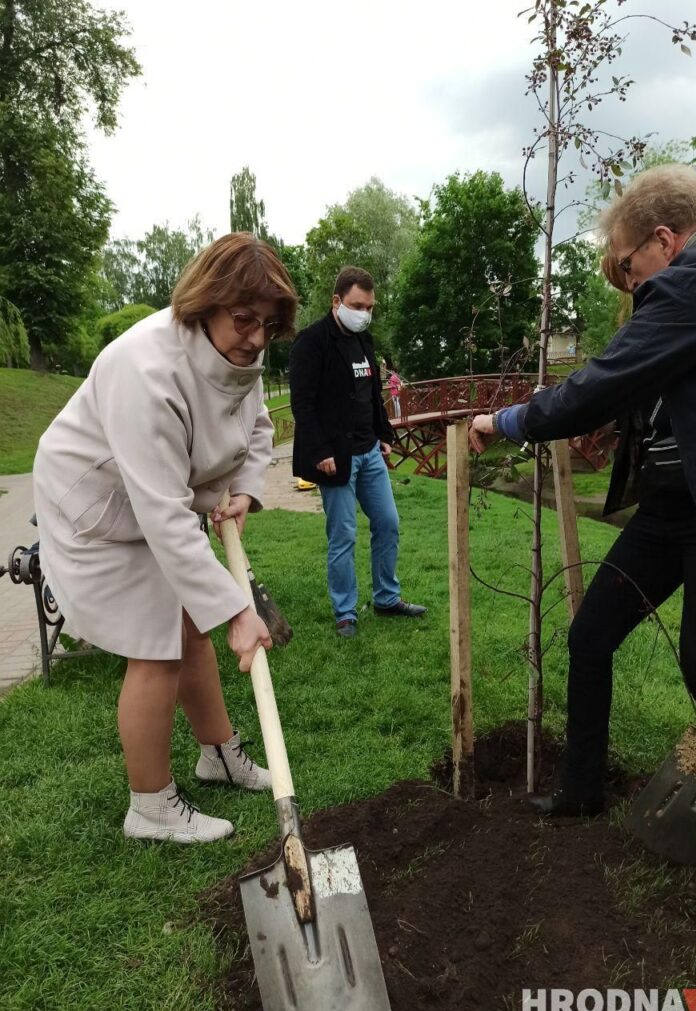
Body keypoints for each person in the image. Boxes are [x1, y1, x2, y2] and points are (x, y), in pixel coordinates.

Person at [470, 164, 696, 816]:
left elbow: (595, 387)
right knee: (590, 636)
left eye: (630, 270)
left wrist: (506, 421)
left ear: (664, 240)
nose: (633, 289)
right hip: (665, 508)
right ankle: (579, 796)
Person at [33, 233, 298, 843]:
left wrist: (247, 492)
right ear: (206, 302)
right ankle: (149, 805)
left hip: (156, 500)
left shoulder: (243, 356)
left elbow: (258, 428)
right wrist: (237, 610)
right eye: (244, 319)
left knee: (186, 626)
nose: (257, 337)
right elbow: (162, 513)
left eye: (268, 323)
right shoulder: (145, 368)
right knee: (154, 645)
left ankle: (218, 754)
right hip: (95, 504)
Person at [289, 266, 426, 638]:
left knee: (388, 523)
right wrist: (319, 451)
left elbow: (371, 395)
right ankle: (345, 612)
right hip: (335, 458)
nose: (364, 313)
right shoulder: (311, 342)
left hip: (368, 453)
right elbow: (302, 403)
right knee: (343, 534)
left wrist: (383, 434)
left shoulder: (365, 341)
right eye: (357, 305)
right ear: (337, 302)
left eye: (369, 307)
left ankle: (386, 598)